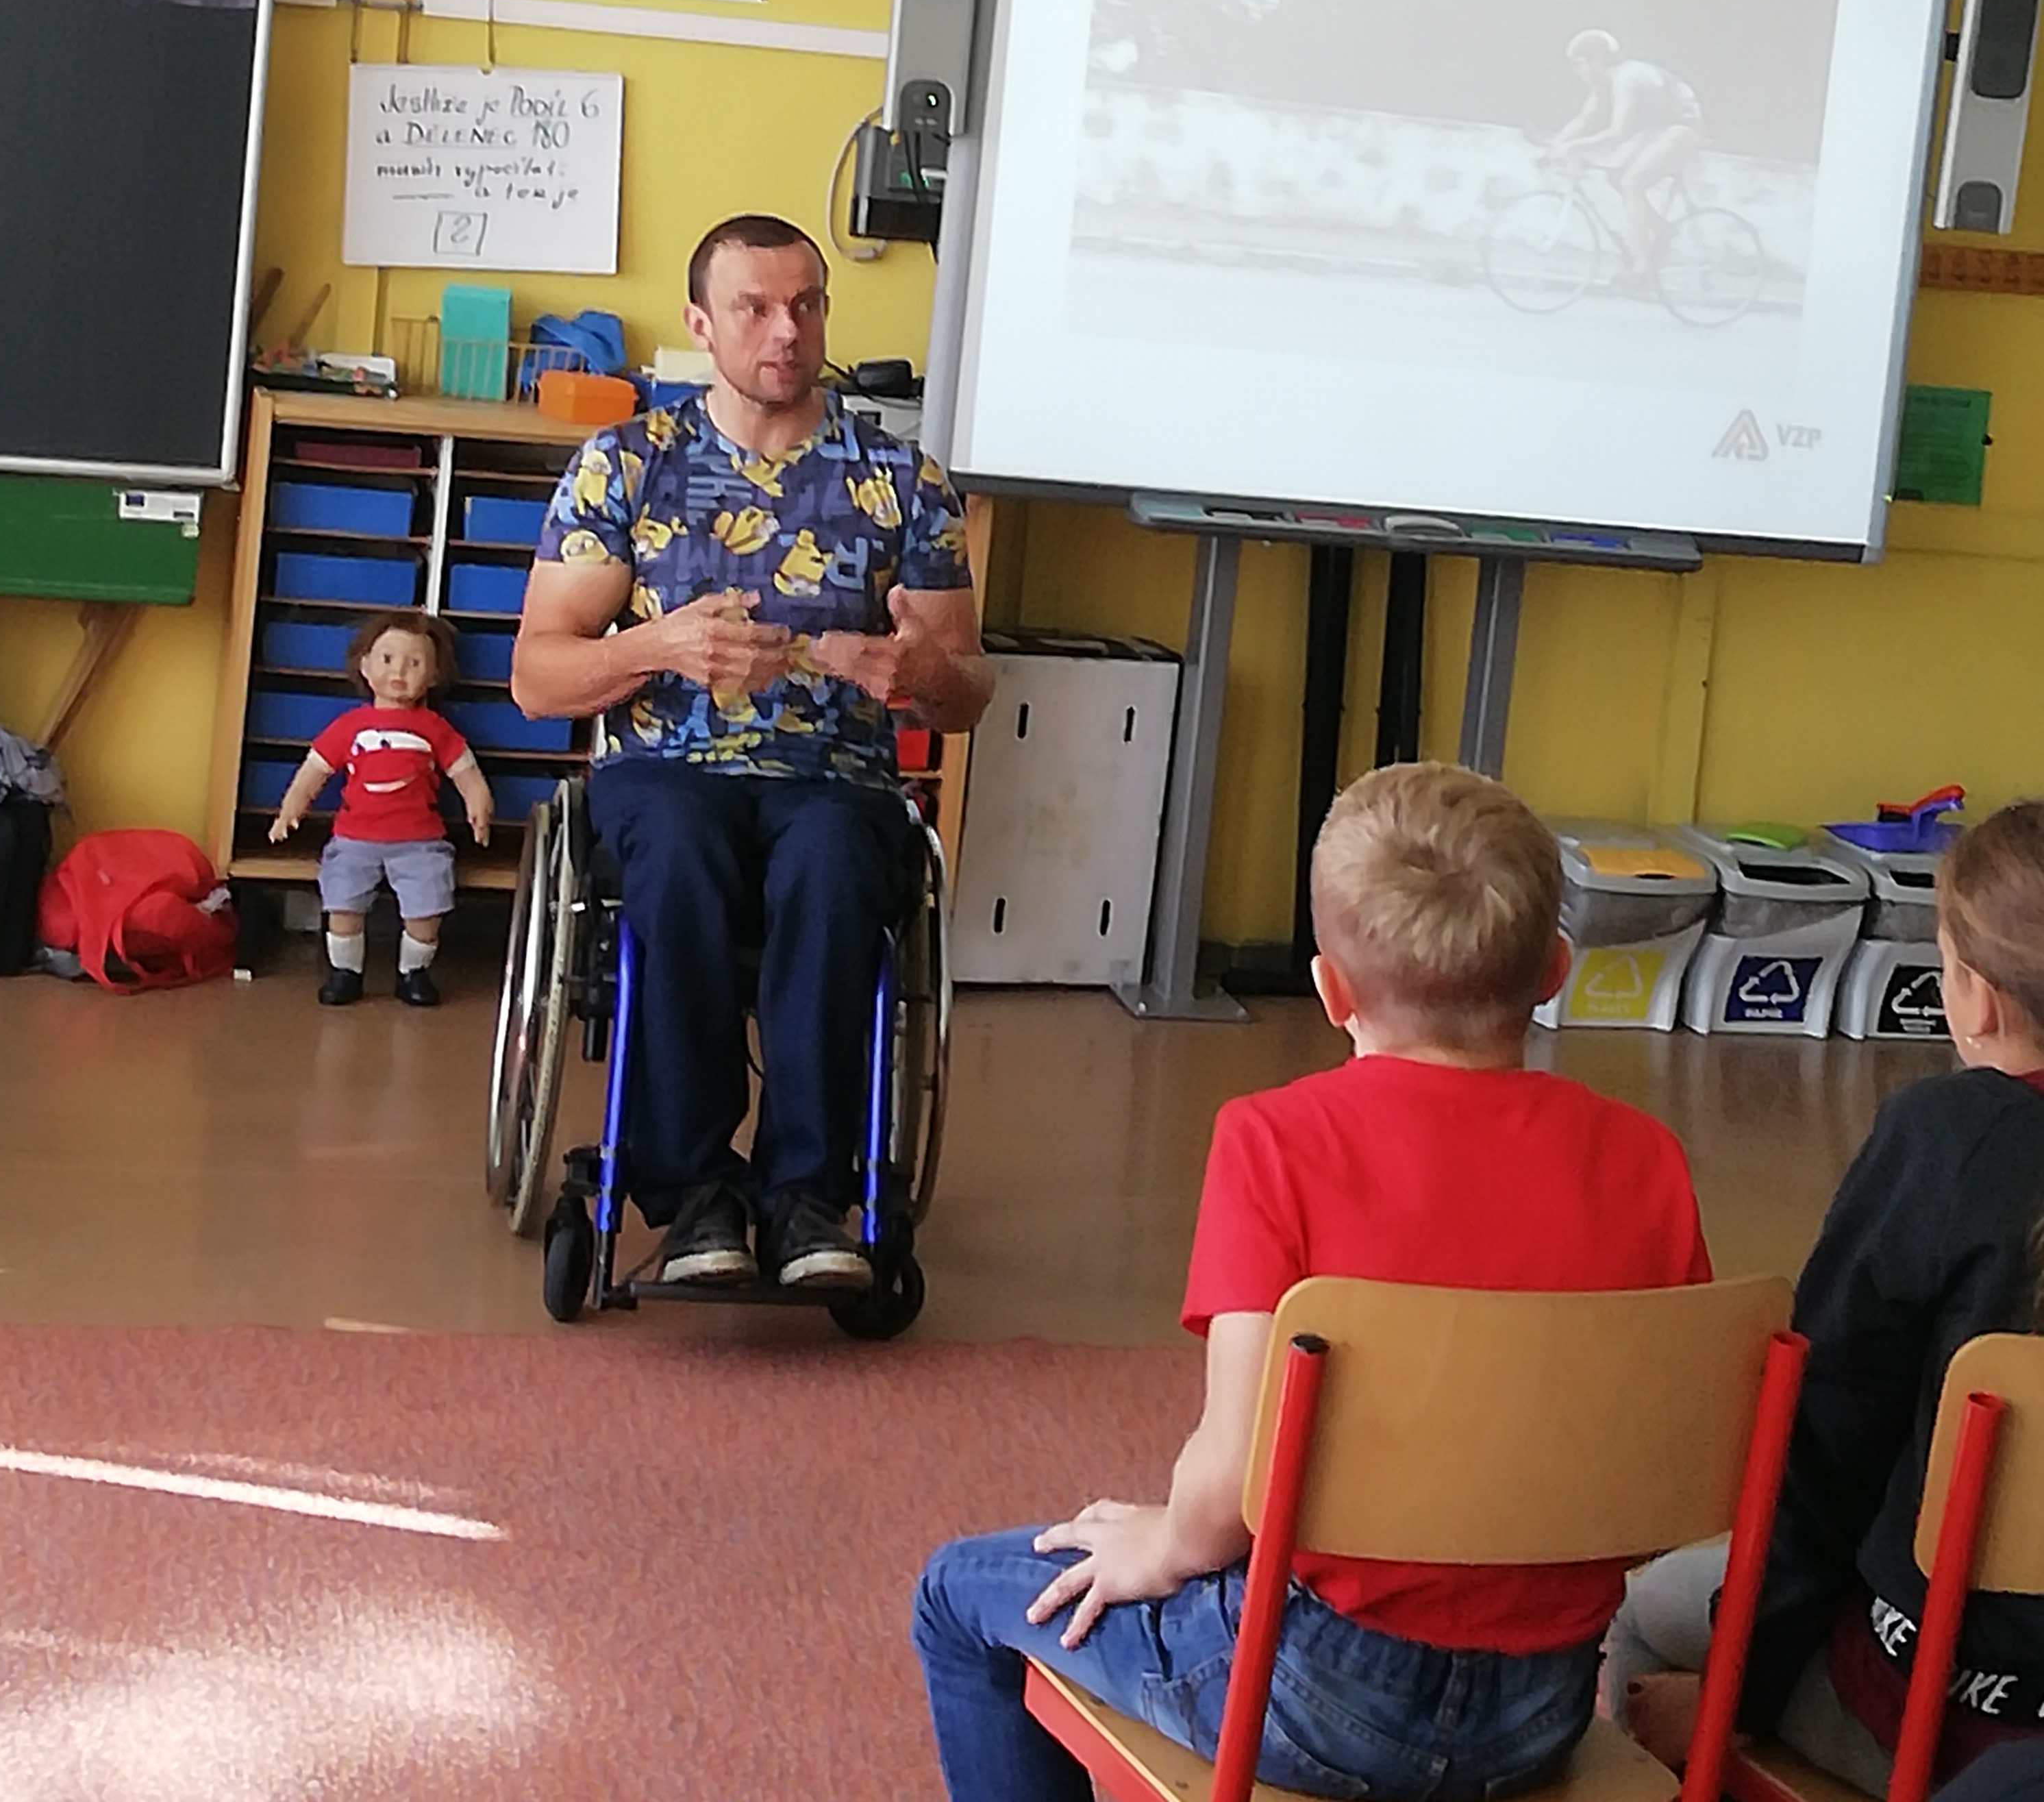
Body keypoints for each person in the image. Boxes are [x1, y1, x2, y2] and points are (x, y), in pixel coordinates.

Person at [911, 761, 1711, 1802]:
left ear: (1330, 989)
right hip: (1544, 1704)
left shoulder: (1277, 1143)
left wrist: (1162, 1541)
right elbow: (1666, 1475)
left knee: (958, 1592)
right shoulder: (1647, 1161)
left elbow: (1232, 1485)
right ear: (1554, 969)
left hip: (1315, 1691)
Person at [510, 212, 992, 1292]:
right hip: (665, 774)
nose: (786, 330)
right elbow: (537, 679)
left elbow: (968, 691)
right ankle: (693, 1195)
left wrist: (920, 672)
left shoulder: (901, 481)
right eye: (756, 308)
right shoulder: (627, 465)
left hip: (835, 777)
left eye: (806, 305)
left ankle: (807, 1196)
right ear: (701, 324)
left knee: (832, 862)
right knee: (677, 854)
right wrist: (659, 646)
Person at [1612, 801, 2044, 1796]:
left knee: (1641, 1613)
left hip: (1944, 1704)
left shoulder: (1945, 1140)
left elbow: (1821, 1447)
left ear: (1976, 999)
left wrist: (1741, 1692)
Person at [269, 610, 493, 1009]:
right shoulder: (349, 726)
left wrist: (479, 803)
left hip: (421, 842)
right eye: (387, 659)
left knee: (427, 910)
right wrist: (291, 808)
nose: (399, 672)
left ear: (434, 675)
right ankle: (345, 972)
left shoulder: (435, 728)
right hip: (354, 838)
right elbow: (314, 771)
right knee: (342, 904)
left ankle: (414, 972)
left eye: (415, 663)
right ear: (365, 665)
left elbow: (466, 772)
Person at [1550, 27, 1703, 281]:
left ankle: (1642, 267)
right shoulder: (1602, 85)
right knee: (1615, 177)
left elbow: (1617, 133)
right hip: (1657, 129)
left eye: (1579, 64)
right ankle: (1660, 230)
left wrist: (1574, 147)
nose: (1577, 71)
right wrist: (1557, 143)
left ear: (1598, 60)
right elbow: (1584, 119)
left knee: (1632, 183)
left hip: (1682, 128)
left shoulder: (1627, 78)